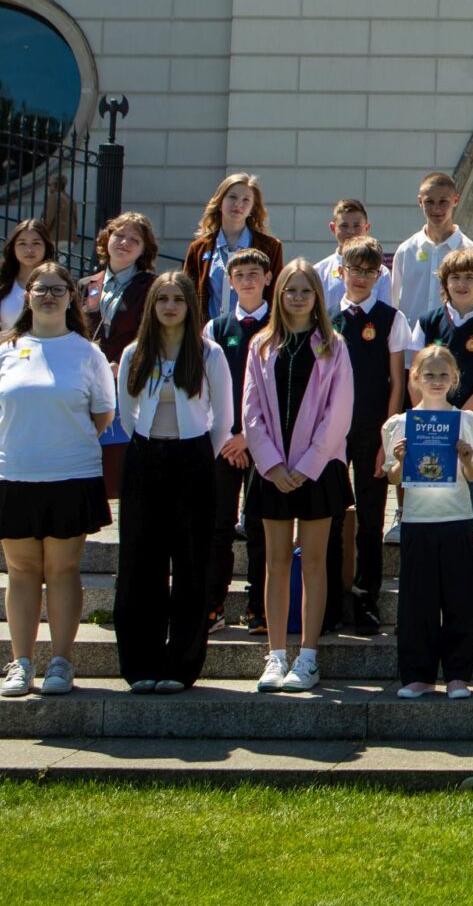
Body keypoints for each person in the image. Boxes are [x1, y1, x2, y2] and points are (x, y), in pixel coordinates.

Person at [0, 259, 114, 697]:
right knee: (21, 571)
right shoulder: (5, 352)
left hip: (70, 474)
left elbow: (103, 415)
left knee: (63, 569)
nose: (49, 296)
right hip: (13, 473)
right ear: (28, 297)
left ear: (71, 297)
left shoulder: (87, 353)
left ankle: (60, 662)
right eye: (41, 289)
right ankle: (20, 663)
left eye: (58, 289)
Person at [112, 269, 231, 693]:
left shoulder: (208, 353)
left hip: (193, 458)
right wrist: (152, 446)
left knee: (191, 562)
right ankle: (140, 662)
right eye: (162, 299)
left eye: (177, 299)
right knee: (140, 562)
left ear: (189, 306)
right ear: (152, 305)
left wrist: (197, 455)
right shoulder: (135, 352)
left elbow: (224, 418)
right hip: (145, 457)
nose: (169, 306)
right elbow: (126, 413)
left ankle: (181, 665)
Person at [242, 258, 353, 694]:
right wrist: (271, 463)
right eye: (291, 290)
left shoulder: (333, 345)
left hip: (317, 471)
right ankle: (275, 655)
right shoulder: (261, 344)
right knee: (275, 561)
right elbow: (250, 408)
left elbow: (338, 412)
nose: (298, 297)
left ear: (318, 297)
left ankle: (307, 656)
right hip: (273, 471)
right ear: (279, 294)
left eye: (306, 290)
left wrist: (307, 466)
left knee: (314, 561)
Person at [381, 344, 473, 700]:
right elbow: (394, 478)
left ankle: (458, 675)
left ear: (454, 378)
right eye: (429, 375)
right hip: (417, 520)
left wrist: (466, 457)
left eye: (443, 374)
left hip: (456, 518)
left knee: (460, 600)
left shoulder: (467, 421)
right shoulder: (400, 424)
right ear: (415, 378)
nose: (437, 381)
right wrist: (399, 460)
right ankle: (418, 675)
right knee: (417, 602)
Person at [327, 237, 403, 635]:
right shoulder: (327, 319)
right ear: (341, 271)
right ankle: (329, 600)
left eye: (369, 271)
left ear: (379, 275)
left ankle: (365, 599)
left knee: (371, 520)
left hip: (373, 430)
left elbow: (397, 383)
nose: (360, 277)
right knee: (331, 516)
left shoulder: (391, 318)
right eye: (354, 269)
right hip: (332, 433)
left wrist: (387, 439)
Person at [404, 244, 473, 532]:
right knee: (427, 498)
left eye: (470, 277)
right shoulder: (427, 322)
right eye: (455, 277)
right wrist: (429, 417)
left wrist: (454, 423)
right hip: (428, 424)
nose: (462, 284)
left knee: (465, 501)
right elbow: (414, 378)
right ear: (445, 282)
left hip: (467, 425)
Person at [202, 248, 271, 628]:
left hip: (265, 442)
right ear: (229, 282)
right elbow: (207, 388)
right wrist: (229, 435)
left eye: (254, 273)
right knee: (219, 526)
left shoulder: (278, 324)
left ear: (267, 278)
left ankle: (259, 607)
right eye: (240, 275)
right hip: (223, 443)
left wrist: (248, 436)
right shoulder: (216, 328)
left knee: (261, 526)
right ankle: (213, 605)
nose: (247, 280)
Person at [81, 210, 156, 501]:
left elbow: (151, 333)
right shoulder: (87, 285)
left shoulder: (151, 287)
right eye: (119, 235)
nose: (125, 242)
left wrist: (125, 363)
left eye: (134, 239)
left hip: (129, 381)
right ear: (106, 239)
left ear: (144, 249)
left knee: (122, 467)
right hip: (88, 383)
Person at [181, 173, 282, 326]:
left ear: (252, 208)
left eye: (246, 200)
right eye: (232, 197)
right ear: (220, 202)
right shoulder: (199, 248)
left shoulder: (270, 247)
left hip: (254, 333)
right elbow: (188, 296)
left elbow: (274, 296)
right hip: (209, 334)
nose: (238, 204)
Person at [389, 172, 473, 323]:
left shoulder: (472, 252)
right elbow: (393, 304)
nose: (436, 209)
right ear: (420, 202)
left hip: (453, 336)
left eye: (443, 202)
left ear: (455, 200)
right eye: (429, 202)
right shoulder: (406, 251)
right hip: (412, 337)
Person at [0, 219, 54, 364]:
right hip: (5, 365)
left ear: (46, 247)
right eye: (22, 243)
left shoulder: (58, 288)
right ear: (13, 248)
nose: (29, 250)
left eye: (36, 243)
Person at [313, 198, 373, 309]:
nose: (350, 231)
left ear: (367, 228)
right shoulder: (319, 271)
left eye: (356, 226)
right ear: (333, 228)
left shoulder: (380, 272)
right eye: (344, 226)